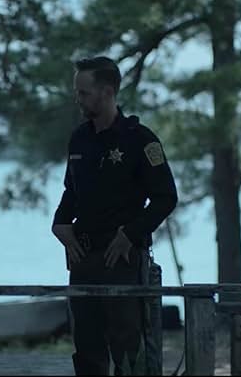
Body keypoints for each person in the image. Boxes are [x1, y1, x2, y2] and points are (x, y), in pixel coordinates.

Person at [52, 56, 178, 375]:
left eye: (84, 93)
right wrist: (60, 224)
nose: (77, 99)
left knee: (127, 347)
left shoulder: (140, 139)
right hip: (83, 255)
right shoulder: (79, 138)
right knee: (87, 346)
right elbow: (72, 191)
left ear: (107, 92)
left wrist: (131, 234)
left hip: (120, 257)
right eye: (77, 92)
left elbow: (165, 198)